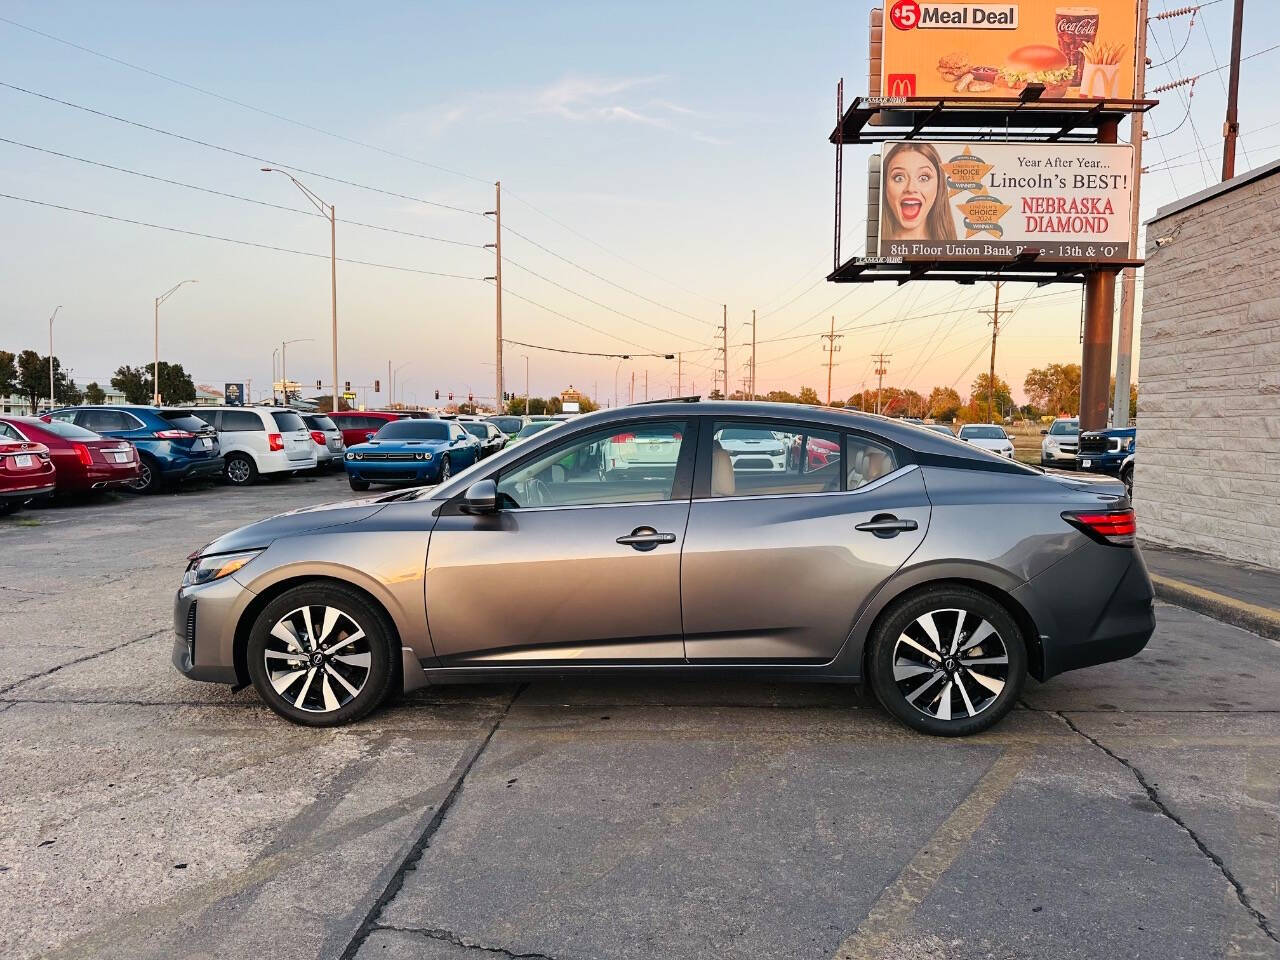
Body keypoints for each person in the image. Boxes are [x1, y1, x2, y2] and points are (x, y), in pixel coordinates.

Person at [881, 143, 957, 245]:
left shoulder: (956, 251)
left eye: (923, 178)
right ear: (885, 186)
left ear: (939, 186)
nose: (911, 188)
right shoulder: (879, 248)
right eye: (899, 178)